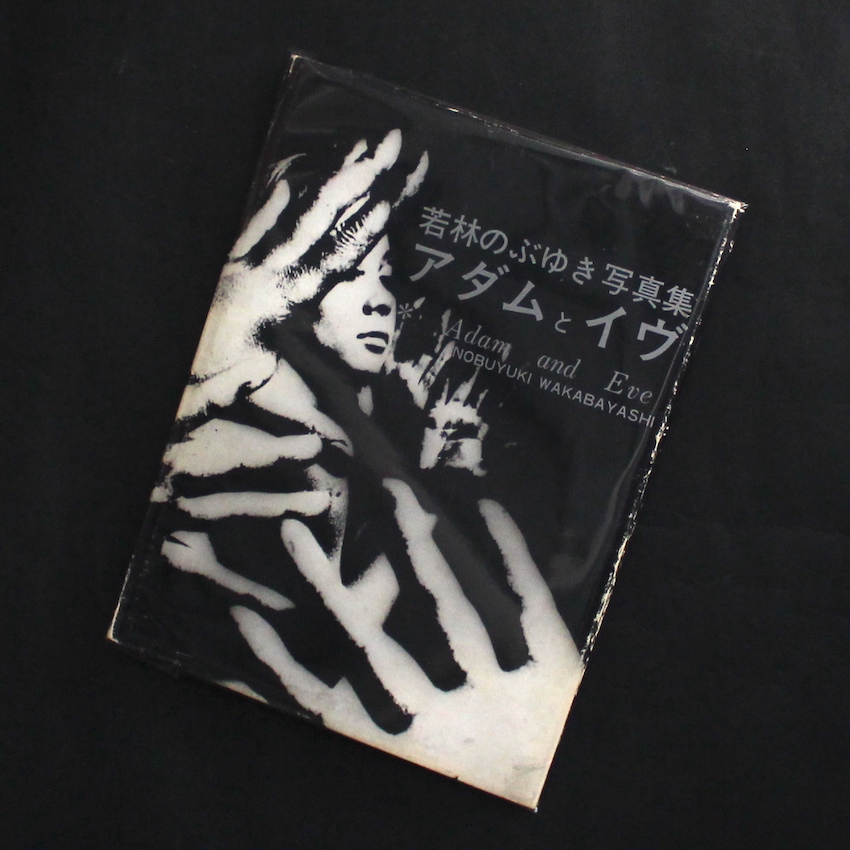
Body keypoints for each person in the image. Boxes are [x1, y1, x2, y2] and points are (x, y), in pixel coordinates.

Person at [139, 130, 530, 735]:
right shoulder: (239, 444)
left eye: (388, 276)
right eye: (352, 272)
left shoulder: (378, 437)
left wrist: (450, 474)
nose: (380, 301)